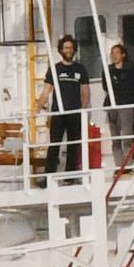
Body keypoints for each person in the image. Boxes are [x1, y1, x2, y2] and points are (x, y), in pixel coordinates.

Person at [44, 31, 95, 178]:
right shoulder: (55, 69)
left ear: (74, 49)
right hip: (58, 113)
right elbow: (46, 91)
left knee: (73, 144)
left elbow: (86, 92)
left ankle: (70, 176)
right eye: (66, 48)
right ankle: (48, 176)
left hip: (74, 112)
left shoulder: (80, 69)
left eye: (71, 48)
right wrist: (36, 109)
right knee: (54, 145)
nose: (69, 50)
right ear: (61, 50)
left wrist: (83, 108)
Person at [106, 31, 134, 167]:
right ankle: (119, 164)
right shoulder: (108, 70)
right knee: (115, 139)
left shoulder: (130, 70)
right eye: (112, 53)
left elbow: (133, 85)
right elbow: (105, 85)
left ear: (123, 55)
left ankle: (128, 163)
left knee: (126, 137)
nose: (114, 56)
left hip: (126, 105)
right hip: (111, 105)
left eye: (117, 53)